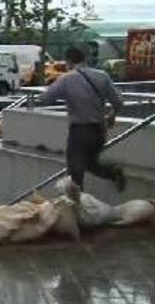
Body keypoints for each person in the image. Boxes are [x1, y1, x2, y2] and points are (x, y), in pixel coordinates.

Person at [40, 47, 126, 197]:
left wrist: (66, 96)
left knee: (75, 172)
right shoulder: (102, 76)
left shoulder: (67, 79)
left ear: (68, 62)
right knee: (90, 163)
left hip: (79, 132)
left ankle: (77, 208)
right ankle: (112, 172)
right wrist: (111, 116)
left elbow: (46, 98)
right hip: (99, 130)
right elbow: (118, 102)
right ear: (84, 59)